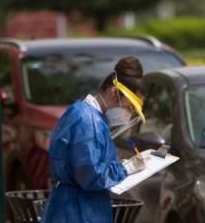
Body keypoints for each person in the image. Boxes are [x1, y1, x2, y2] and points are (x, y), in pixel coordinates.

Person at [41, 56, 146, 223]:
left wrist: (122, 166)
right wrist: (126, 168)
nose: (129, 114)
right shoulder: (87, 120)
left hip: (77, 207)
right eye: (128, 107)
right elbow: (90, 176)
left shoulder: (89, 116)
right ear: (113, 92)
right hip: (78, 211)